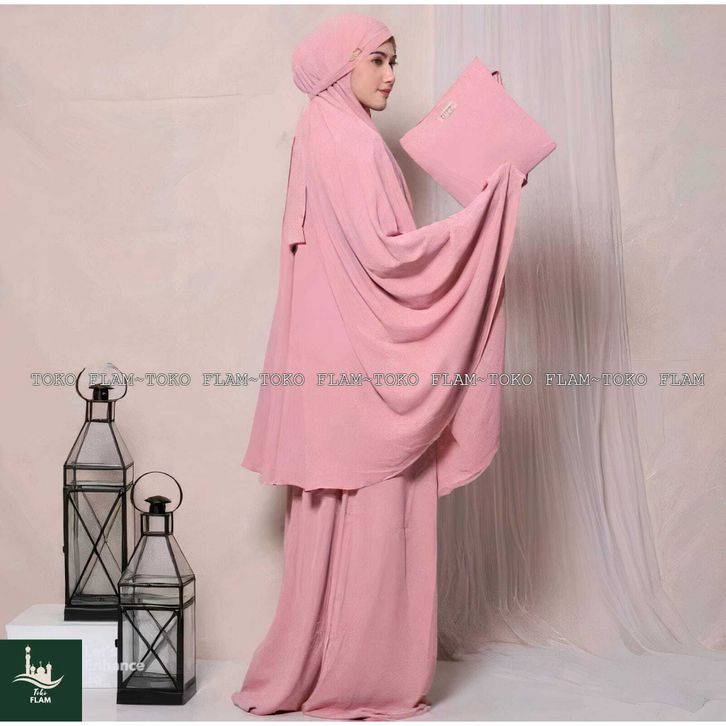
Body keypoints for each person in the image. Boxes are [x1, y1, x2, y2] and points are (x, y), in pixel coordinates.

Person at [231, 12, 526, 721]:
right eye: (379, 61)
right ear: (343, 66)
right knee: (381, 508)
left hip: (326, 363)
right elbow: (391, 259)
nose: (391, 75)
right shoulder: (354, 143)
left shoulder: (317, 131)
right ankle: (365, 677)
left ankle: (315, 666)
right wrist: (485, 215)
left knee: (333, 512)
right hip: (367, 368)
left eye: (394, 62)